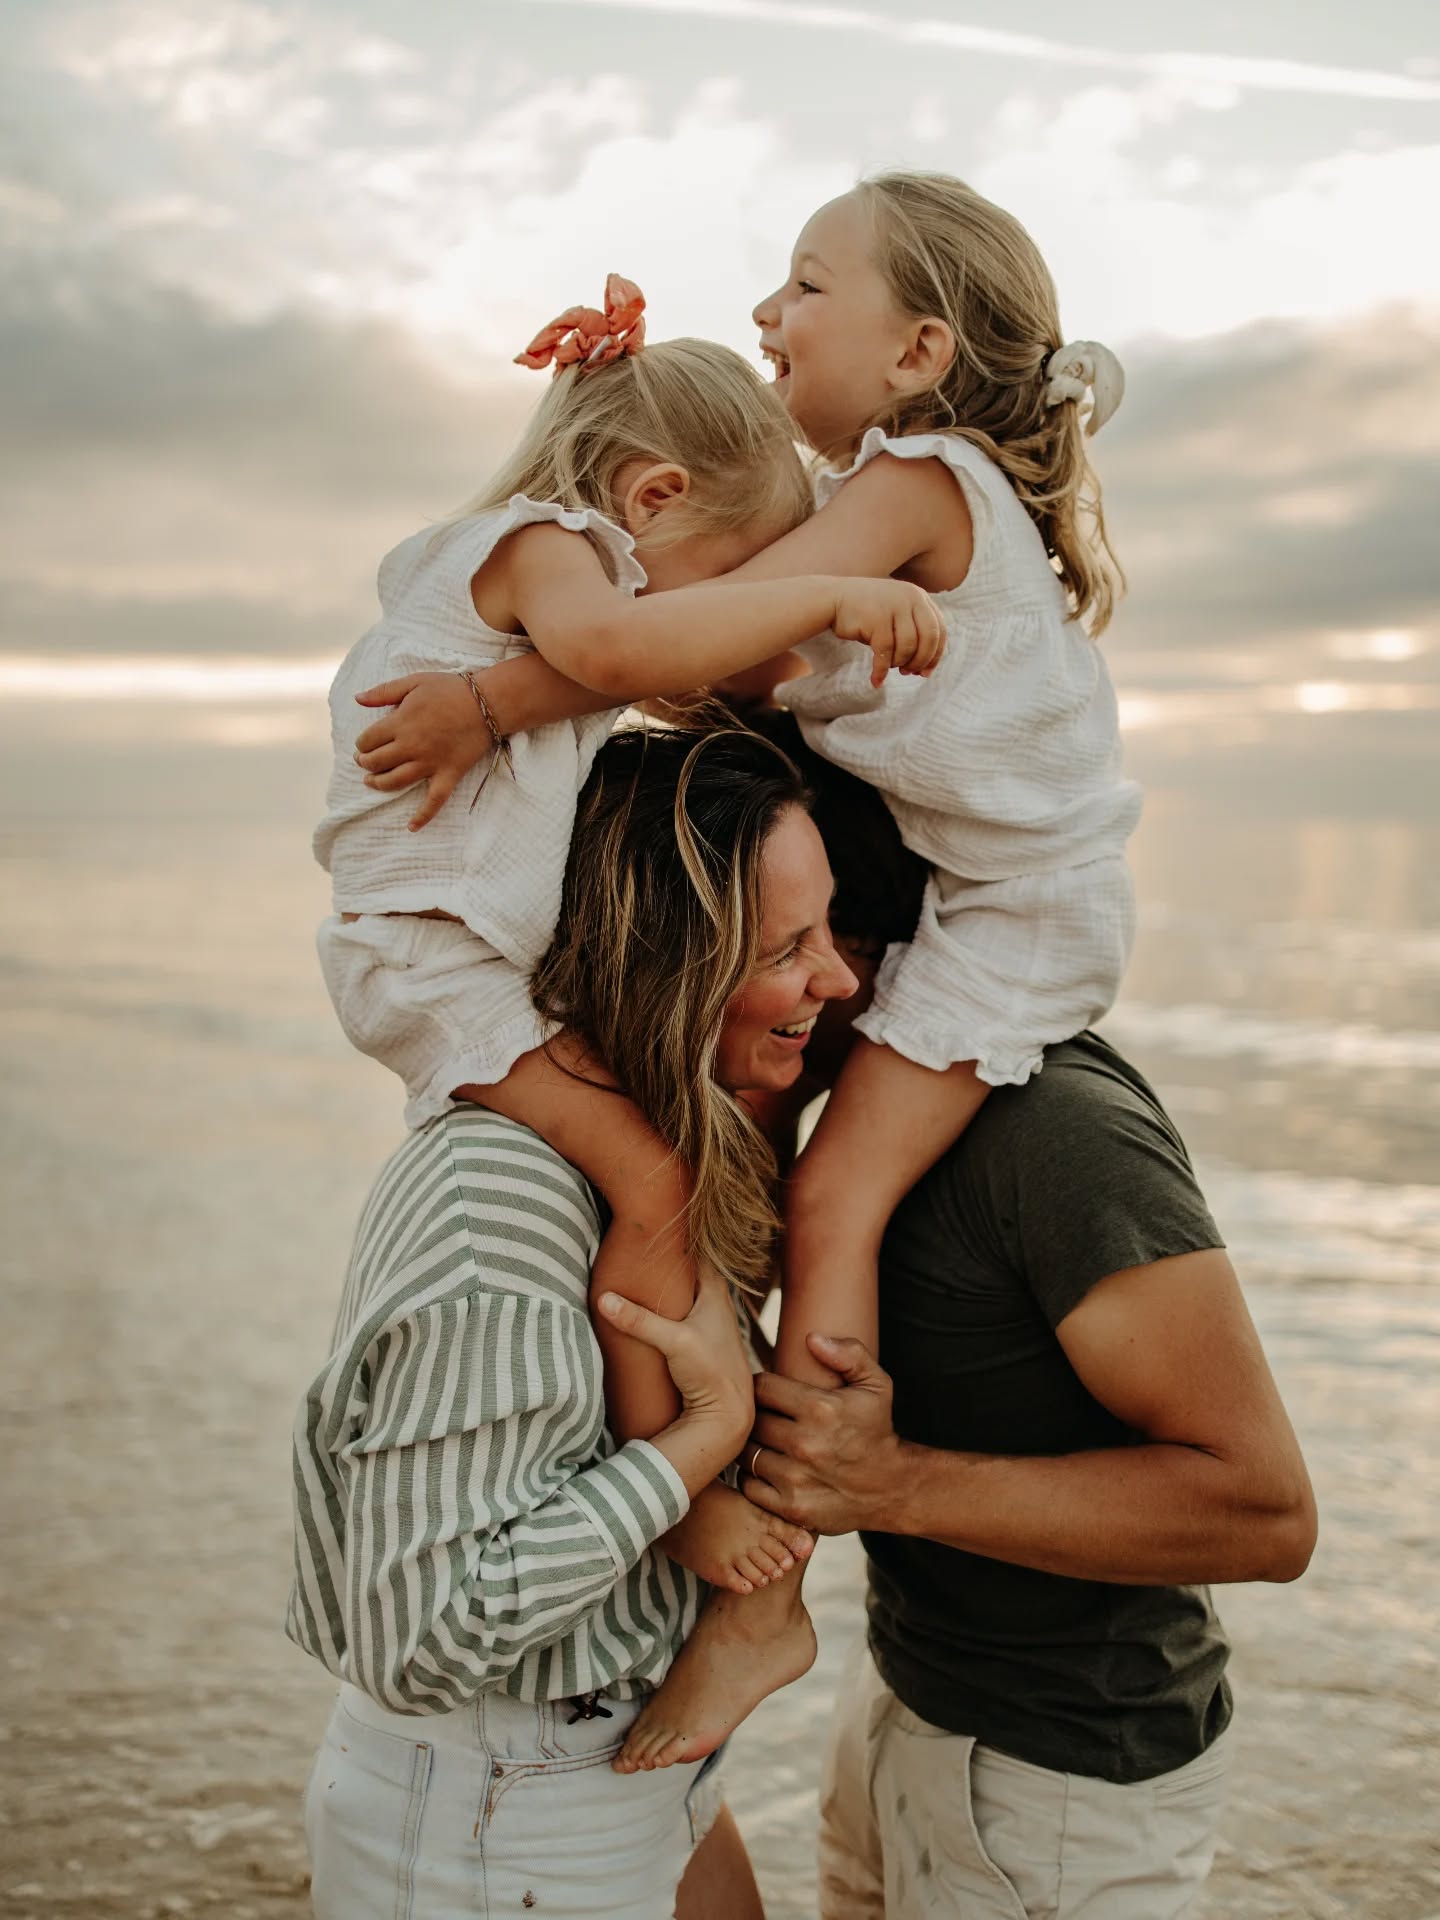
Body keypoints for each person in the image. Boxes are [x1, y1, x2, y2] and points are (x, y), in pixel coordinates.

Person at [353, 174, 1147, 1771]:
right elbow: (751, 658)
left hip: (1015, 921)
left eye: (803, 286)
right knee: (766, 1174)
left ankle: (762, 1587)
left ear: (920, 352)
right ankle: (716, 1473)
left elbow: (677, 635)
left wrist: (492, 709)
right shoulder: (919, 499)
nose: (770, 317)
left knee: (832, 1201)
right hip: (992, 898)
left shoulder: (917, 482)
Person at [608, 715, 1319, 1919]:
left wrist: (893, 1486)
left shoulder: (1055, 1135)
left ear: (873, 955)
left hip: (1064, 1779)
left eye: (797, 943)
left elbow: (1267, 1514)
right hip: (905, 1702)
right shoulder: (823, 1125)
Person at [314, 276, 943, 1600]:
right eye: (723, 571)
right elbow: (620, 651)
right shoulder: (556, 551)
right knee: (656, 1183)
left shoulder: (531, 574)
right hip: (435, 970)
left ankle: (682, 1462)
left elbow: (663, 670)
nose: (712, 607)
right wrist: (827, 587)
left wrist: (496, 705)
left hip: (458, 960)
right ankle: (676, 1500)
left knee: (667, 1173)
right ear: (651, 499)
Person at [288, 725, 860, 1919]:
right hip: (504, 1813)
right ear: (670, 968)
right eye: (789, 948)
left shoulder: (654, 1157)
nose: (840, 980)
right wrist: (696, 1445)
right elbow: (422, 1633)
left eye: (831, 928)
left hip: (617, 1756)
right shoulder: (494, 1224)